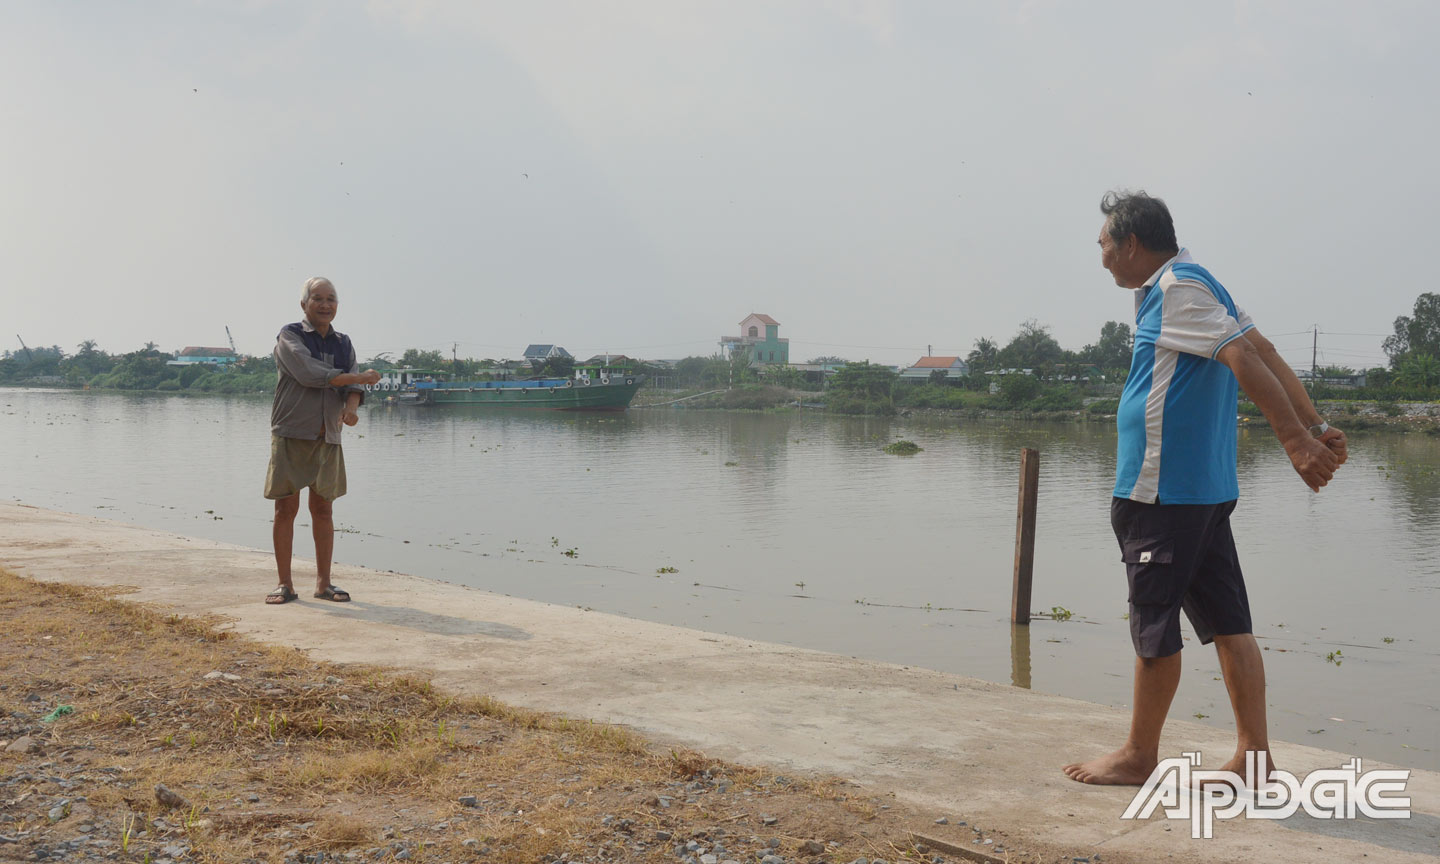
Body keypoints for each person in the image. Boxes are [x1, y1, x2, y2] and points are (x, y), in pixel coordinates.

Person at [1063, 191, 1348, 786]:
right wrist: (1317, 425)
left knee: (1153, 622)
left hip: (1164, 494)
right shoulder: (1194, 281)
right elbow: (1264, 349)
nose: (1103, 260)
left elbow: (1245, 357)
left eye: (1105, 246)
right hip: (1202, 491)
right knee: (1228, 622)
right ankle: (1254, 757)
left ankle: (1139, 756)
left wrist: (1297, 442)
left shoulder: (1177, 289)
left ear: (1131, 243)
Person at [263, 276, 381, 604]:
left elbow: (353, 389)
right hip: (292, 431)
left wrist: (352, 410)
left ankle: (323, 583)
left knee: (324, 509)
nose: (325, 304)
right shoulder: (290, 336)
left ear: (337, 306)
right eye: (318, 298)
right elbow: (310, 374)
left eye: (331, 299)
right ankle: (284, 583)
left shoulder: (343, 343)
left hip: (328, 433)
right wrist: (359, 377)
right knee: (285, 507)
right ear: (304, 304)